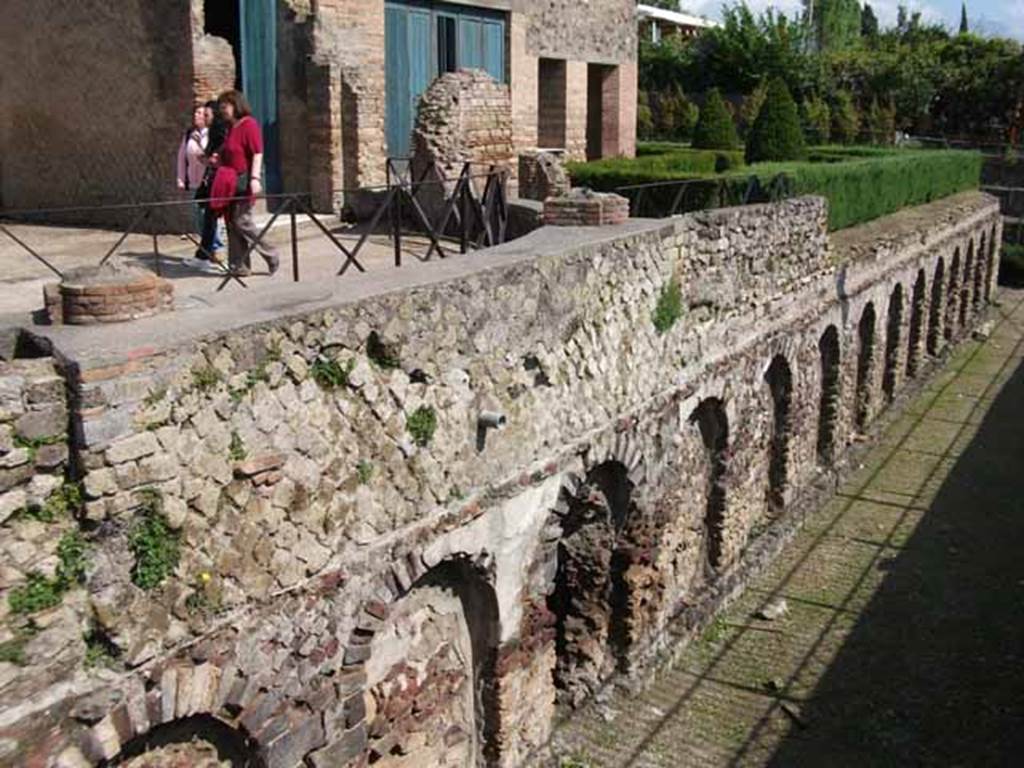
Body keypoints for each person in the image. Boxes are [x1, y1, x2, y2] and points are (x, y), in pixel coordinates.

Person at [209, 90, 279, 276]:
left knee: (242, 221)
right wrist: (217, 159)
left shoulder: (249, 125)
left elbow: (257, 152)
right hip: (230, 182)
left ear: (236, 105)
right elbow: (231, 154)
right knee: (232, 223)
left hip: (243, 180)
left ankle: (271, 252)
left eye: (225, 106)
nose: (222, 110)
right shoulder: (231, 128)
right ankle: (239, 266)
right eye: (221, 107)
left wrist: (255, 179)